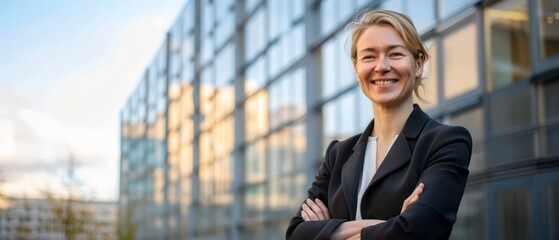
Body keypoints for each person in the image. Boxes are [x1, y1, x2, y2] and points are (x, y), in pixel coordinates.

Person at [285, 9, 472, 240]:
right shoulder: (338, 155)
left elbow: (418, 231)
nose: (381, 66)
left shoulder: (445, 142)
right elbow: (296, 233)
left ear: (419, 64)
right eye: (369, 56)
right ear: (356, 68)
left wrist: (329, 232)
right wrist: (390, 224)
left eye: (395, 54)